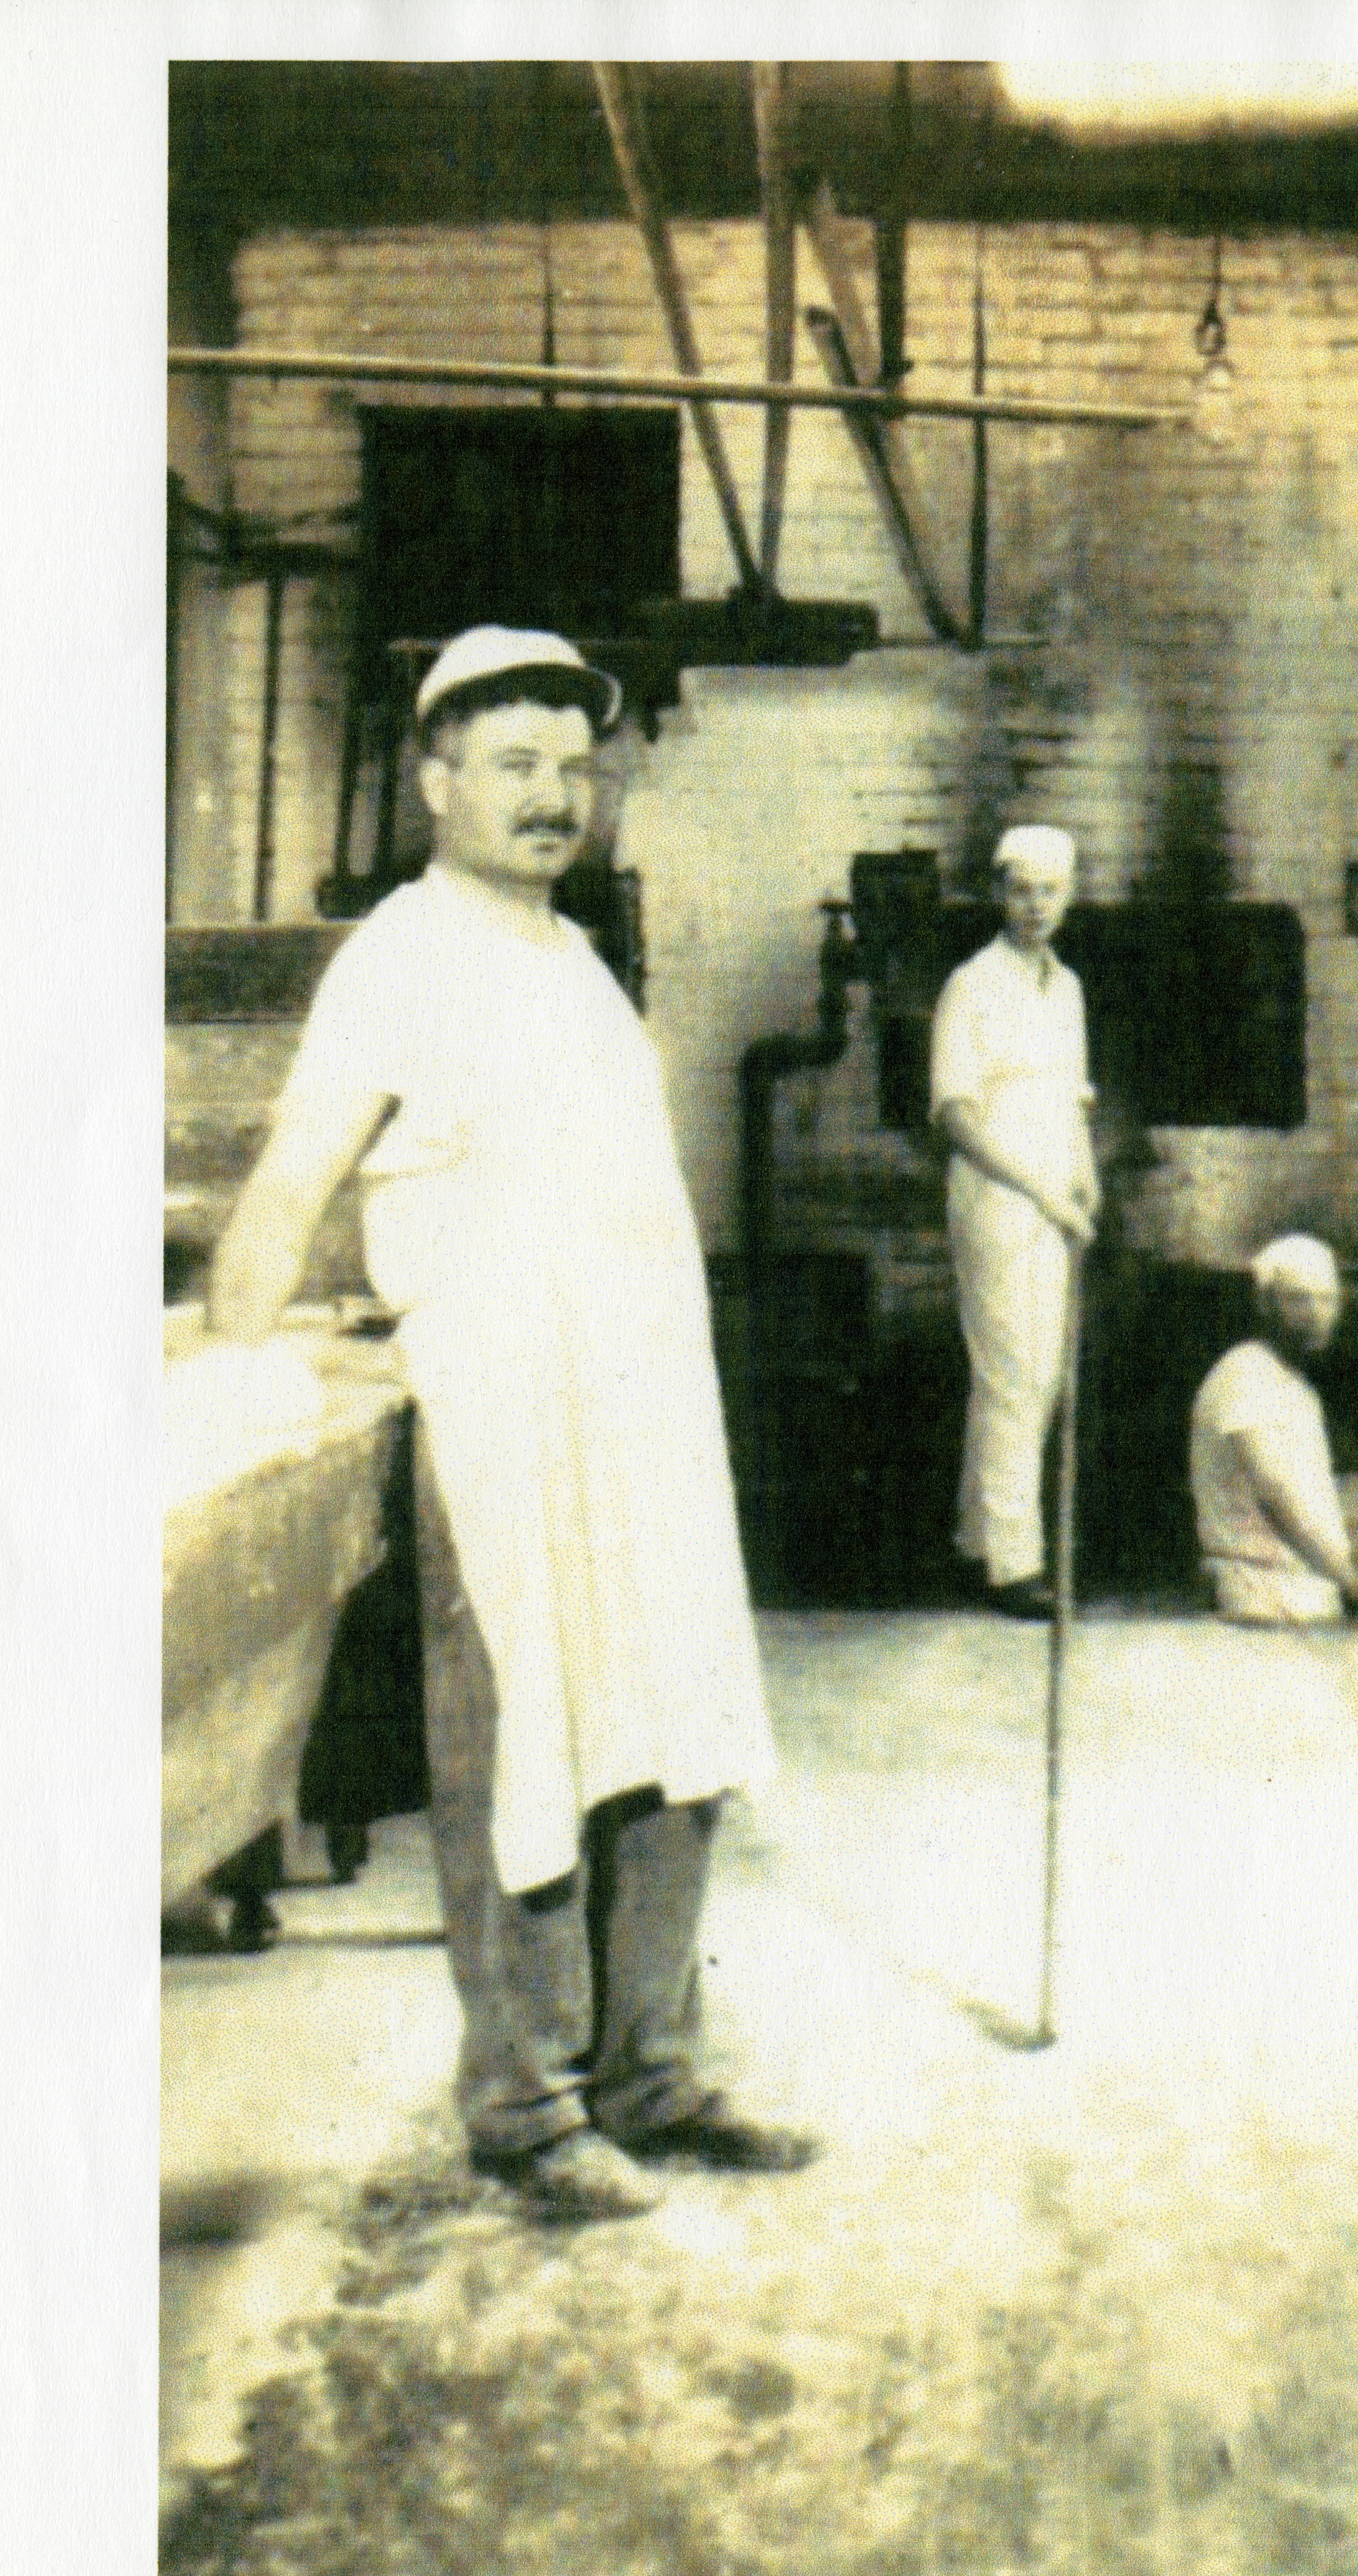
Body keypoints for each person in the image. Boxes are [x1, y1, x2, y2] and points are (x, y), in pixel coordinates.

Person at [208, 624, 816, 2219]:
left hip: (643, 1416)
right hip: (506, 1418)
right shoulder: (400, 955)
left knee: (674, 1719)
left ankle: (652, 2069)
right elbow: (291, 1178)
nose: (556, 796)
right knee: (525, 1741)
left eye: (576, 767)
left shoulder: (574, 955)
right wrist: (219, 1380)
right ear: (433, 784)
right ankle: (528, 2103)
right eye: (514, 767)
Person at [928, 823, 1100, 1620]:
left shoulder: (1063, 987)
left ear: (1066, 897)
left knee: (1031, 1374)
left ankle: (974, 1540)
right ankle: (1015, 1565)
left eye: (1048, 890)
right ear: (998, 893)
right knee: (1016, 1377)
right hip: (998, 1199)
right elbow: (956, 1115)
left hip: (1055, 1197)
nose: (1034, 905)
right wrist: (1039, 1189)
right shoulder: (971, 985)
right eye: (1020, 889)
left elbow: (1068, 1097)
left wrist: (1085, 1174)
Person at [1190, 1234, 1358, 1627]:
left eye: (1325, 1300)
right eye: (1297, 1299)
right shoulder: (1244, 1373)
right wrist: (1351, 1580)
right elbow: (1277, 1494)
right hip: (1258, 1599)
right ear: (1265, 1304)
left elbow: (1308, 1500)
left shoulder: (1298, 1389)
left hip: (1304, 1596)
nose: (1315, 1313)